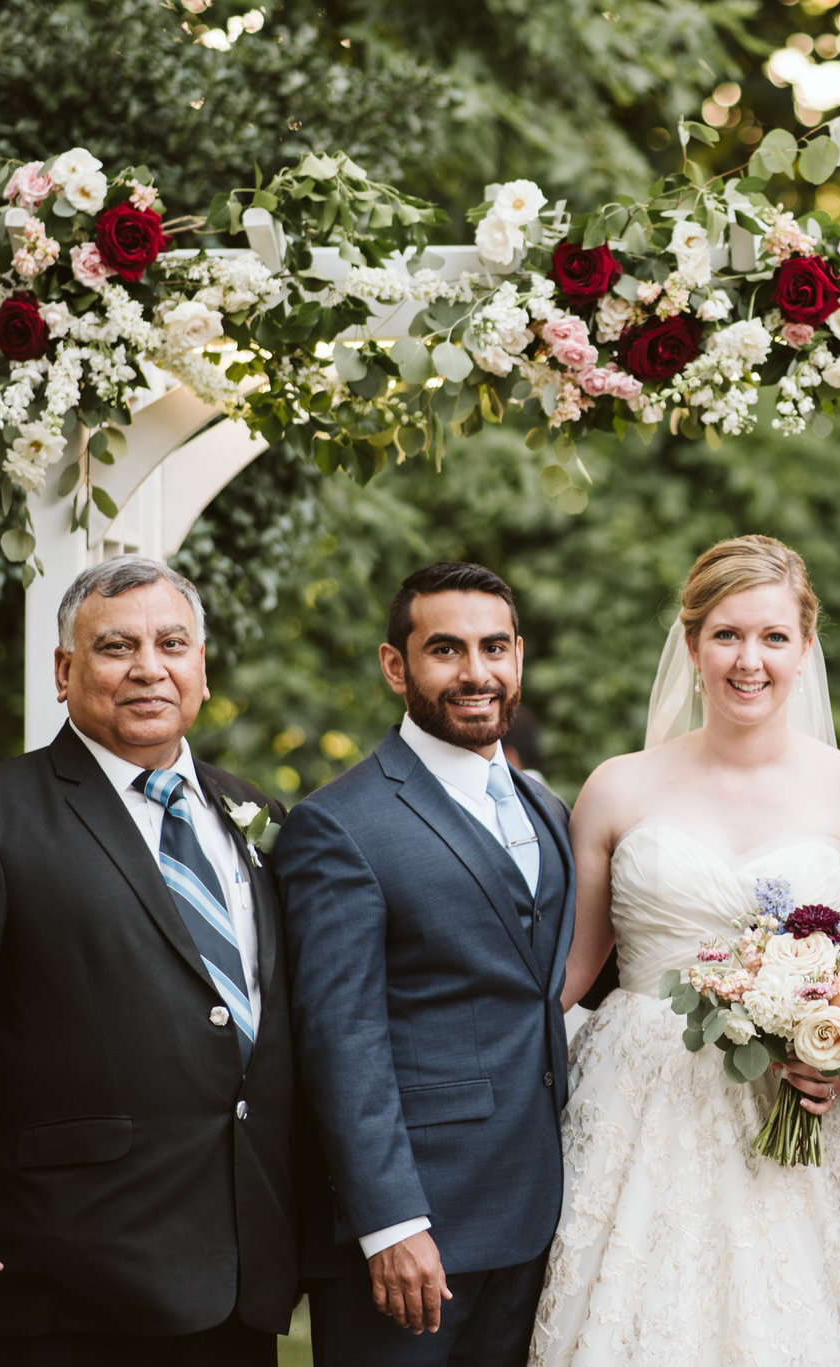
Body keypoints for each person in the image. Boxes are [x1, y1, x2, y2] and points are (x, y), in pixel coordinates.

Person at [0, 555, 297, 1365]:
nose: (148, 668)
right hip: (60, 1277)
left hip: (240, 1274)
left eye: (173, 643)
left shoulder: (260, 818)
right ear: (64, 672)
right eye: (115, 647)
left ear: (201, 669)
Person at [530, 535, 840, 1367]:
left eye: (774, 637)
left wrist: (831, 1048)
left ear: (805, 647)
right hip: (642, 1100)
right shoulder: (617, 787)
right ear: (692, 644)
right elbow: (565, 974)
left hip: (798, 1110)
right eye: (727, 635)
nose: (750, 660)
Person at [276, 562, 575, 1367]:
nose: (476, 672)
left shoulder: (547, 810)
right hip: (416, 1239)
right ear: (394, 664)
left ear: (519, 656)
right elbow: (341, 1038)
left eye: (495, 647)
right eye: (446, 649)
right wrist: (392, 1223)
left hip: (539, 1216)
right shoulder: (339, 825)